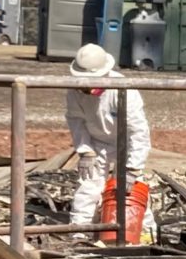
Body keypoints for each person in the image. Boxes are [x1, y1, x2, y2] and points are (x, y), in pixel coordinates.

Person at [65, 41, 152, 234]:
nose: (87, 88)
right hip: (96, 144)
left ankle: (144, 232)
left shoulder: (123, 89)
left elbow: (138, 131)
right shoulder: (74, 91)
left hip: (125, 143)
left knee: (131, 191)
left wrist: (132, 168)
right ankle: (80, 232)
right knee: (88, 187)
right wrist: (85, 150)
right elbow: (75, 119)